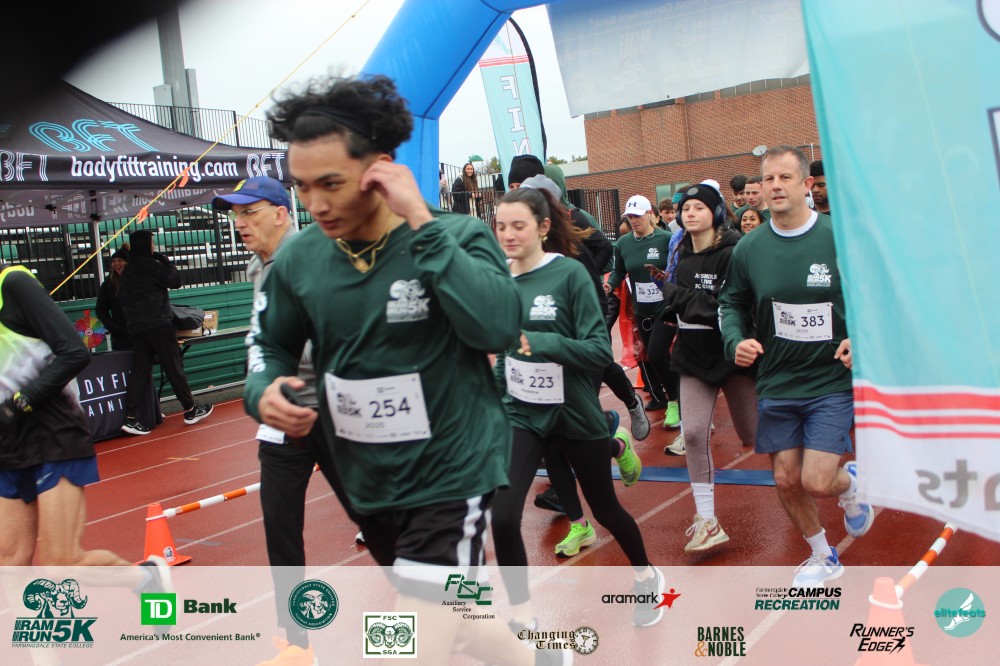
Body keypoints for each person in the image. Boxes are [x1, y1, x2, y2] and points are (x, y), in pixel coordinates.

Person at [246, 73, 562, 665]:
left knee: (411, 642)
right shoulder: (301, 259)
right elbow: (269, 345)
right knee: (460, 628)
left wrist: (420, 220)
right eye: (302, 187)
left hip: (452, 473)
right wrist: (264, 389)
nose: (315, 204)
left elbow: (497, 326)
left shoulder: (457, 235)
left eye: (331, 184)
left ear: (380, 169)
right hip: (369, 482)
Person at [491, 184, 665, 631]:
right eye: (500, 226)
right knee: (503, 515)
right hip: (523, 413)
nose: (507, 234)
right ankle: (522, 617)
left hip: (572, 409)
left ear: (543, 227)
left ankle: (646, 576)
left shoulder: (568, 274)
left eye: (518, 225)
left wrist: (541, 343)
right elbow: (505, 351)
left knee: (605, 509)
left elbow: (597, 351)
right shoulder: (498, 280)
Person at [213, 176, 359, 666]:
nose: (239, 223)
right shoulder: (260, 266)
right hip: (285, 414)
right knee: (279, 522)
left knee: (377, 522)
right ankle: (297, 643)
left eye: (249, 212)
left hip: (334, 410)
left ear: (281, 213)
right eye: (235, 215)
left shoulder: (314, 255)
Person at [719, 145, 875, 587]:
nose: (775, 186)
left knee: (818, 479)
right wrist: (735, 340)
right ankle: (823, 555)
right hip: (777, 379)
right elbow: (731, 304)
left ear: (806, 184)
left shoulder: (838, 237)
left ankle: (850, 484)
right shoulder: (749, 248)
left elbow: (873, 296)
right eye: (768, 178)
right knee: (786, 478)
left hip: (830, 378)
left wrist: (860, 338)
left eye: (785, 177)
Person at [0, 261, 172, 620]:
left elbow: (75, 352)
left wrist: (21, 401)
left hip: (52, 434)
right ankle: (42, 650)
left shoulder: (13, 283)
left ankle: (145, 578)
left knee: (60, 563)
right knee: (9, 562)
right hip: (8, 444)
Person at [652, 181, 758, 553]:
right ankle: (708, 520)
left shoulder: (732, 253)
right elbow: (686, 305)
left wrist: (677, 296)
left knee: (755, 435)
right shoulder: (680, 253)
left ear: (715, 213)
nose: (690, 213)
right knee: (694, 434)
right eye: (686, 208)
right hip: (693, 355)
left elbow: (722, 307)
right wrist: (673, 305)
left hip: (731, 353)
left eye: (699, 207)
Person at [118, 229, 213, 435]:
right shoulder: (150, 265)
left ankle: (130, 418)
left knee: (140, 371)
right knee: (173, 366)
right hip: (158, 324)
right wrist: (164, 260)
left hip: (136, 327)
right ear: (146, 244)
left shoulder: (127, 271)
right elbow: (175, 280)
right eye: (151, 242)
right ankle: (190, 409)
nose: (154, 246)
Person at [606, 195, 681, 428]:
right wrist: (609, 284)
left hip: (666, 308)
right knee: (654, 357)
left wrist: (668, 281)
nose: (634, 220)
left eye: (637, 216)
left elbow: (679, 268)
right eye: (630, 217)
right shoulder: (623, 243)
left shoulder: (666, 239)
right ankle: (678, 394)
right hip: (641, 310)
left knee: (657, 354)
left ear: (650, 214)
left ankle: (674, 402)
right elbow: (619, 271)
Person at [95, 245, 132, 351]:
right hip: (121, 338)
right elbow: (101, 310)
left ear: (127, 262)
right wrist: (115, 329)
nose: (116, 264)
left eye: (120, 260)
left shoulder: (138, 281)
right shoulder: (108, 284)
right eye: (114, 261)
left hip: (141, 334)